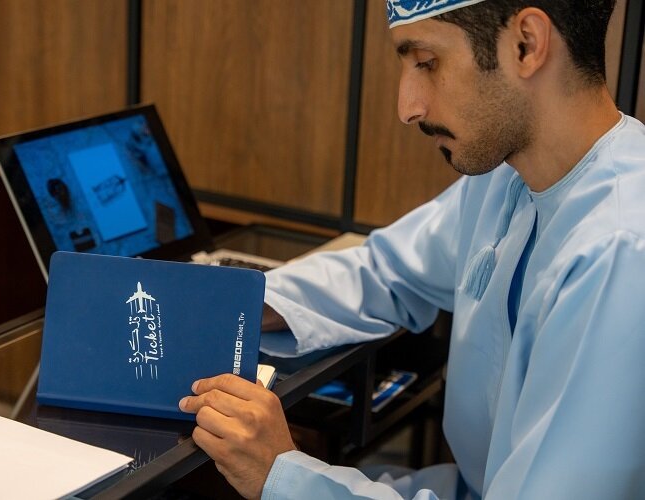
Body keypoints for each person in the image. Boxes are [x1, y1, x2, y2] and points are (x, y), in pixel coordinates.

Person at [179, 0, 645, 498]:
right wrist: (240, 304)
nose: (408, 108)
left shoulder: (619, 254)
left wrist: (284, 477)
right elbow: (387, 269)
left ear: (526, 44)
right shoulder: (508, 178)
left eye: (427, 62)